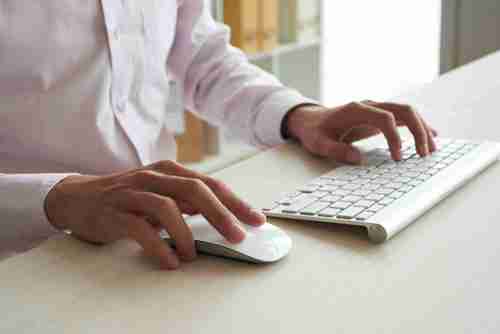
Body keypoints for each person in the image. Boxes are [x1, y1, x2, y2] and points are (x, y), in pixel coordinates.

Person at [0, 0, 436, 269]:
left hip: (154, 238)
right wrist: (56, 197)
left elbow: (201, 58)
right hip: (22, 257)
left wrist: (299, 115)